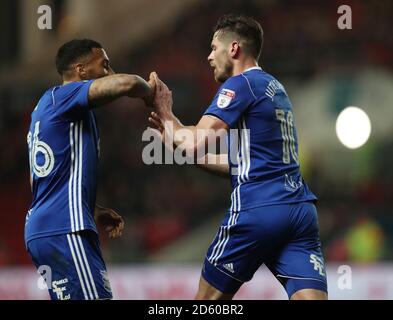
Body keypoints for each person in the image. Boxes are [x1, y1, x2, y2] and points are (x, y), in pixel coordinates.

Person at [149, 14, 328, 300]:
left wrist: (166, 116)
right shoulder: (274, 88)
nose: (209, 57)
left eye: (213, 48)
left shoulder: (241, 85)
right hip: (299, 212)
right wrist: (175, 128)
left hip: (258, 209)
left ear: (233, 49)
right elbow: (242, 165)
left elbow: (195, 143)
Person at [25, 39, 154, 300]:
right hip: (65, 229)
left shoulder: (48, 107)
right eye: (104, 64)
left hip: (46, 229)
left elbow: (36, 180)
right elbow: (126, 83)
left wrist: (91, 209)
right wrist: (150, 91)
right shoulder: (65, 96)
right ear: (81, 71)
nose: (109, 71)